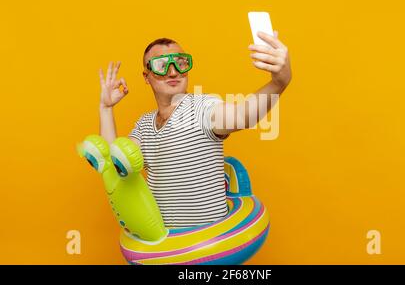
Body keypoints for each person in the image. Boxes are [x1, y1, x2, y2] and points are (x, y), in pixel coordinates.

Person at [98, 31, 291, 227]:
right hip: (166, 248)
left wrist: (278, 83)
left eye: (181, 63)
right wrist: (106, 109)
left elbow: (242, 116)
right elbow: (115, 165)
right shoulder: (144, 125)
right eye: (161, 65)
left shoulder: (203, 107)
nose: (173, 72)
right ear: (146, 76)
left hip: (209, 248)